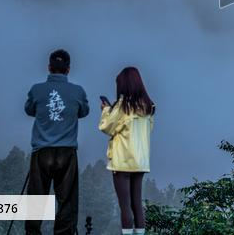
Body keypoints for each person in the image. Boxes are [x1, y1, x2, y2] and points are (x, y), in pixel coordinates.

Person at [24, 49, 90, 235]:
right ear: (68, 69)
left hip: (42, 151)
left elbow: (29, 110)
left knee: (36, 199)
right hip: (67, 152)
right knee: (66, 202)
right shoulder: (77, 91)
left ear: (49, 68)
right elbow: (84, 112)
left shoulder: (37, 90)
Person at [99, 67, 155, 235]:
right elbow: (148, 130)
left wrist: (105, 110)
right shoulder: (148, 107)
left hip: (123, 162)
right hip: (141, 161)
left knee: (125, 205)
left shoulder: (123, 106)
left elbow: (107, 127)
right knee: (136, 204)